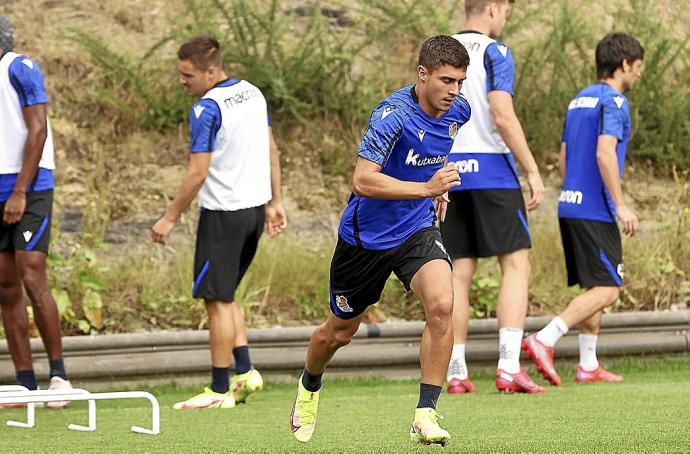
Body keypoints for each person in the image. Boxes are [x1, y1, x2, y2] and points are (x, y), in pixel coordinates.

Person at [289, 35, 470, 446]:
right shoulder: (392, 116)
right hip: (365, 239)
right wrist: (427, 187)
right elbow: (363, 179)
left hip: (416, 229)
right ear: (422, 75)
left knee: (442, 303)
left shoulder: (458, 111)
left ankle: (425, 413)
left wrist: (438, 186)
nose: (454, 91)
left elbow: (431, 152)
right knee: (338, 333)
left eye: (460, 81)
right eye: (446, 80)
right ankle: (309, 384)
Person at [151, 36, 287, 409]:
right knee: (226, 297)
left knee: (215, 300)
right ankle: (245, 372)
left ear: (210, 71)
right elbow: (272, 150)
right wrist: (275, 201)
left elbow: (197, 173)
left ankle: (217, 389)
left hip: (224, 216)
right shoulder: (252, 93)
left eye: (187, 74)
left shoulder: (205, 109)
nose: (183, 81)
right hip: (254, 212)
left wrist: (168, 218)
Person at [522, 32, 644, 385]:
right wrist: (620, 205)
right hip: (595, 208)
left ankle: (588, 364)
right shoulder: (616, 101)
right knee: (608, 288)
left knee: (595, 284)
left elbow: (564, 156)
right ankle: (544, 339)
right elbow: (605, 152)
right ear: (624, 65)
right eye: (637, 68)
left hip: (569, 204)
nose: (638, 75)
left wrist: (574, 189)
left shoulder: (579, 100)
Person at [443, 0, 546, 394]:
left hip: (449, 174)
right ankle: (507, 367)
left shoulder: (438, 49)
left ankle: (455, 373)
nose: (505, 18)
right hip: (493, 174)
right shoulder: (496, 51)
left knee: (457, 274)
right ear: (493, 7)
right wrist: (532, 169)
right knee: (516, 265)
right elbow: (501, 113)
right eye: (505, 11)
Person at [0, 15, 73, 409]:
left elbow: (38, 129)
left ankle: (59, 376)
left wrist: (20, 191)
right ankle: (25, 384)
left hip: (30, 186)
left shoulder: (19, 67)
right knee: (5, 286)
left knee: (31, 272)